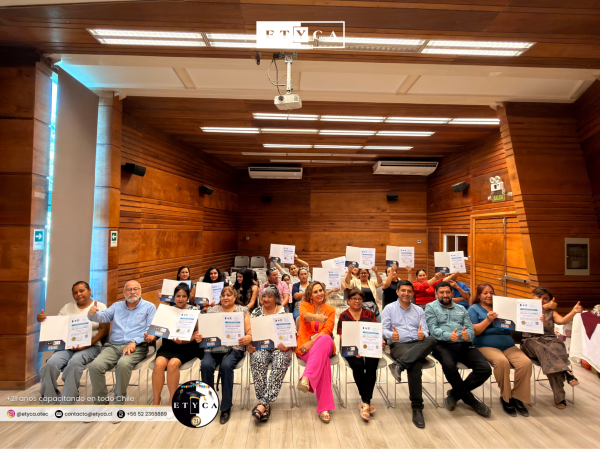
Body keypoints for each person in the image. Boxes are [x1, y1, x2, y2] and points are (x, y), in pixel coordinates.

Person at [87, 280, 156, 411]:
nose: (132, 292)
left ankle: (118, 404)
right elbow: (103, 316)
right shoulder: (116, 306)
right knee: (95, 366)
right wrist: (93, 314)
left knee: (123, 364)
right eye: (129, 290)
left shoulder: (149, 307)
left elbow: (149, 328)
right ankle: (101, 403)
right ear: (124, 292)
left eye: (135, 289)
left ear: (140, 291)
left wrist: (134, 341)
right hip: (113, 346)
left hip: (137, 346)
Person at [425, 281, 492, 417]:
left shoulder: (461, 309)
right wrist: (448, 335)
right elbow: (433, 329)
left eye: (447, 292)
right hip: (442, 344)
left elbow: (470, 329)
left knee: (485, 369)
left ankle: (455, 394)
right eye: (442, 292)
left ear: (452, 293)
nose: (445, 295)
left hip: (464, 343)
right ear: (436, 294)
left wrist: (468, 335)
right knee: (449, 366)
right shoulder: (430, 307)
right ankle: (472, 401)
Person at [37, 281, 109, 404]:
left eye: (81, 291)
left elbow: (104, 330)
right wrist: (43, 320)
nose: (78, 294)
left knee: (74, 363)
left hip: (91, 346)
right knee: (51, 364)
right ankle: (49, 398)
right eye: (75, 292)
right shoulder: (67, 307)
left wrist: (88, 344)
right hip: (67, 346)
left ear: (90, 291)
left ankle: (68, 399)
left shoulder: (100, 306)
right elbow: (57, 326)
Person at [468, 283, 531, 417]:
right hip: (485, 344)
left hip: (508, 344)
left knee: (525, 363)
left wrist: (532, 320)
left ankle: (518, 397)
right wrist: (487, 320)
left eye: (491, 292)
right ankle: (506, 398)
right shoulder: (473, 309)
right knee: (502, 362)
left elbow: (518, 324)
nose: (489, 295)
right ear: (478, 295)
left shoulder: (502, 307)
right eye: (485, 293)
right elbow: (475, 331)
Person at [381, 280, 437, 428]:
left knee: (432, 339)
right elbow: (383, 330)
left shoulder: (419, 310)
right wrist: (391, 335)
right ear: (397, 292)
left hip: (418, 344)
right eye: (403, 290)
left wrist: (422, 334)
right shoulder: (389, 308)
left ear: (413, 293)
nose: (406, 293)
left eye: (409, 291)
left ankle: (399, 365)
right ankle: (417, 407)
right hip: (399, 345)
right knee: (415, 363)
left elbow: (425, 330)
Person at [520, 287, 583, 409]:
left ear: (550, 301)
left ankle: (560, 397)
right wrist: (541, 309)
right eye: (539, 297)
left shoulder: (551, 312)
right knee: (543, 350)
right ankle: (566, 372)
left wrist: (574, 311)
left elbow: (563, 321)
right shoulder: (525, 309)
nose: (542, 300)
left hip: (550, 340)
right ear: (533, 297)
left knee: (553, 358)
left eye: (545, 298)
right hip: (530, 341)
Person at [197, 285, 252, 424]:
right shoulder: (212, 310)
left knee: (226, 366)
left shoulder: (242, 310)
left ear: (235, 297)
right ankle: (209, 403)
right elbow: (202, 330)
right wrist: (198, 336)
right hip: (212, 347)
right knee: (205, 365)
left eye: (229, 295)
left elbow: (249, 330)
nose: (225, 298)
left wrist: (249, 337)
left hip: (234, 348)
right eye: (223, 295)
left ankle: (226, 407)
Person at [144, 283, 203, 405]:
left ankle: (172, 399)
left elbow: (198, 332)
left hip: (187, 346)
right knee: (159, 363)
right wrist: (152, 337)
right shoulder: (167, 310)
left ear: (188, 297)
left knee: (172, 364)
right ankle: (156, 400)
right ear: (173, 297)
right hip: (168, 345)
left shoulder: (194, 311)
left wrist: (185, 341)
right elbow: (158, 331)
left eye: (184, 296)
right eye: (178, 296)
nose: (180, 299)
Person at [337, 288, 386, 421]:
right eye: (354, 299)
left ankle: (365, 402)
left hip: (369, 347)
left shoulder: (369, 314)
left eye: (359, 299)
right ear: (348, 300)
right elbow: (342, 336)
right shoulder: (344, 315)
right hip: (350, 347)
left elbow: (376, 332)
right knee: (358, 365)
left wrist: (380, 341)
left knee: (372, 364)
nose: (357, 301)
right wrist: (355, 349)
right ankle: (367, 401)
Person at [248, 286, 293, 422]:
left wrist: (288, 346)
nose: (266, 299)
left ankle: (262, 403)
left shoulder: (284, 312)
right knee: (257, 359)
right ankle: (265, 404)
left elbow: (292, 333)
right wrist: (249, 344)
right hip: (261, 347)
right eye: (264, 296)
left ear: (276, 298)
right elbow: (249, 331)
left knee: (280, 362)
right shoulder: (256, 312)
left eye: (269, 296)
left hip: (280, 348)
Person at [296, 281, 336, 423]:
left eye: (321, 290)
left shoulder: (330, 309)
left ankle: (306, 377)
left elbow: (328, 329)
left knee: (324, 338)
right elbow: (305, 316)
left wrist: (312, 342)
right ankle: (324, 408)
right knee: (323, 361)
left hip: (323, 343)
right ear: (310, 295)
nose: (319, 293)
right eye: (315, 291)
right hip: (304, 346)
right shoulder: (304, 306)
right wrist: (316, 317)